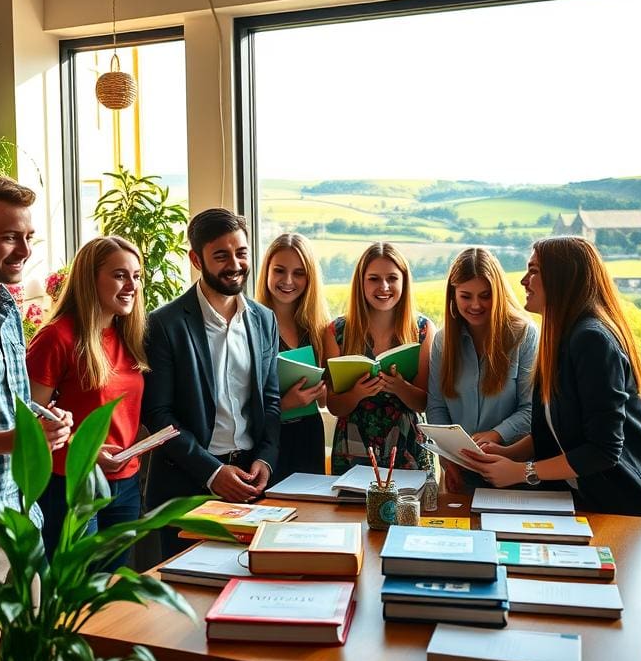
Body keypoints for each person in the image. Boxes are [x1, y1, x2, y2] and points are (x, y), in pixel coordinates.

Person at [460, 236, 641, 518]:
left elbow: (603, 449)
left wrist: (522, 471)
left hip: (630, 505)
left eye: (534, 271)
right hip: (591, 501)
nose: (524, 281)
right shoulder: (558, 340)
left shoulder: (592, 340)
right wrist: (510, 454)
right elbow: (555, 430)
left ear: (563, 278)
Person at [0, 176, 71, 655]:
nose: (24, 249)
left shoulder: (6, 305)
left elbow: (8, 398)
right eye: (9, 236)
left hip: (23, 507)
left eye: (28, 236)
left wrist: (47, 416)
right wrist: (16, 438)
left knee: (32, 646)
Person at [143, 207, 280, 559]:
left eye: (241, 252)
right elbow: (158, 415)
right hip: (187, 484)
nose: (234, 264)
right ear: (195, 258)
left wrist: (265, 460)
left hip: (252, 483)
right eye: (221, 255)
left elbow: (271, 399)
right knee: (185, 601)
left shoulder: (264, 320)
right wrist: (212, 472)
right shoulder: (164, 324)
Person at [27, 236, 148, 566]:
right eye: (120, 275)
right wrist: (87, 453)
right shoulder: (57, 337)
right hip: (71, 484)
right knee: (76, 597)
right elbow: (30, 426)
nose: (131, 286)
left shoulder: (130, 337)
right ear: (89, 278)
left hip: (125, 484)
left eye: (136, 276)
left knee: (110, 595)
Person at [426, 247, 537, 493]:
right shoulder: (443, 341)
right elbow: (435, 406)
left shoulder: (524, 335)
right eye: (466, 296)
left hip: (511, 471)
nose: (476, 305)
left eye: (485, 296)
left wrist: (496, 434)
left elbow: (532, 409)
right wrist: (447, 460)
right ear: (453, 295)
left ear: (498, 293)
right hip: (459, 473)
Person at [323, 241, 434, 474]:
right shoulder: (337, 331)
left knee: (409, 509)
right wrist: (357, 393)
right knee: (350, 509)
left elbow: (423, 402)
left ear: (404, 281)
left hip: (407, 444)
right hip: (353, 443)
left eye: (392, 278)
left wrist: (400, 387)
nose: (384, 286)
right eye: (374, 279)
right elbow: (333, 405)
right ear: (361, 283)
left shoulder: (422, 329)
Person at [255, 233, 330, 483]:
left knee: (308, 515)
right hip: (267, 442)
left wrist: (322, 391)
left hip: (309, 435)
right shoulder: (250, 326)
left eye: (299, 273)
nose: (288, 281)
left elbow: (326, 402)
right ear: (266, 272)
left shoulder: (318, 329)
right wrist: (285, 404)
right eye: (279, 271)